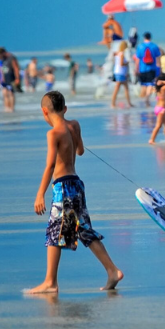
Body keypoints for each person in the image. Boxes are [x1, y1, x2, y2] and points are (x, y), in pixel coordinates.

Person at [25, 91, 123, 294]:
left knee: (55, 231)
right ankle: (112, 271)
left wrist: (39, 194)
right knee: (83, 230)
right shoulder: (74, 125)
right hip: (77, 185)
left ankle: (50, 282)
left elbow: (50, 165)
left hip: (63, 188)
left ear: (45, 112)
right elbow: (80, 151)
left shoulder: (53, 133)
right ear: (65, 109)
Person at [135, 32, 161, 104]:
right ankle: (147, 98)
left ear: (144, 37)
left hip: (142, 69)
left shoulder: (140, 46)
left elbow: (137, 60)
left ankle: (143, 100)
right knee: (150, 84)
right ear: (150, 37)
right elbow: (158, 60)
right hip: (152, 68)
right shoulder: (154, 46)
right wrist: (159, 70)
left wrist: (136, 69)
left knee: (143, 85)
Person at [0, 47, 20, 112]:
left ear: (3, 53)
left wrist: (17, 78)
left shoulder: (11, 58)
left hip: (11, 78)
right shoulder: (3, 60)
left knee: (10, 93)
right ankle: (6, 108)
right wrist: (1, 78)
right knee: (5, 94)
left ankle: (12, 108)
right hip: (4, 79)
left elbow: (16, 68)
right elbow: (2, 70)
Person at [110, 41, 132, 108]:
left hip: (117, 72)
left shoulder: (117, 53)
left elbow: (115, 62)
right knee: (118, 89)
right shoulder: (122, 54)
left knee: (124, 88)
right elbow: (121, 64)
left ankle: (129, 103)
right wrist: (127, 63)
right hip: (121, 73)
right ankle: (113, 104)